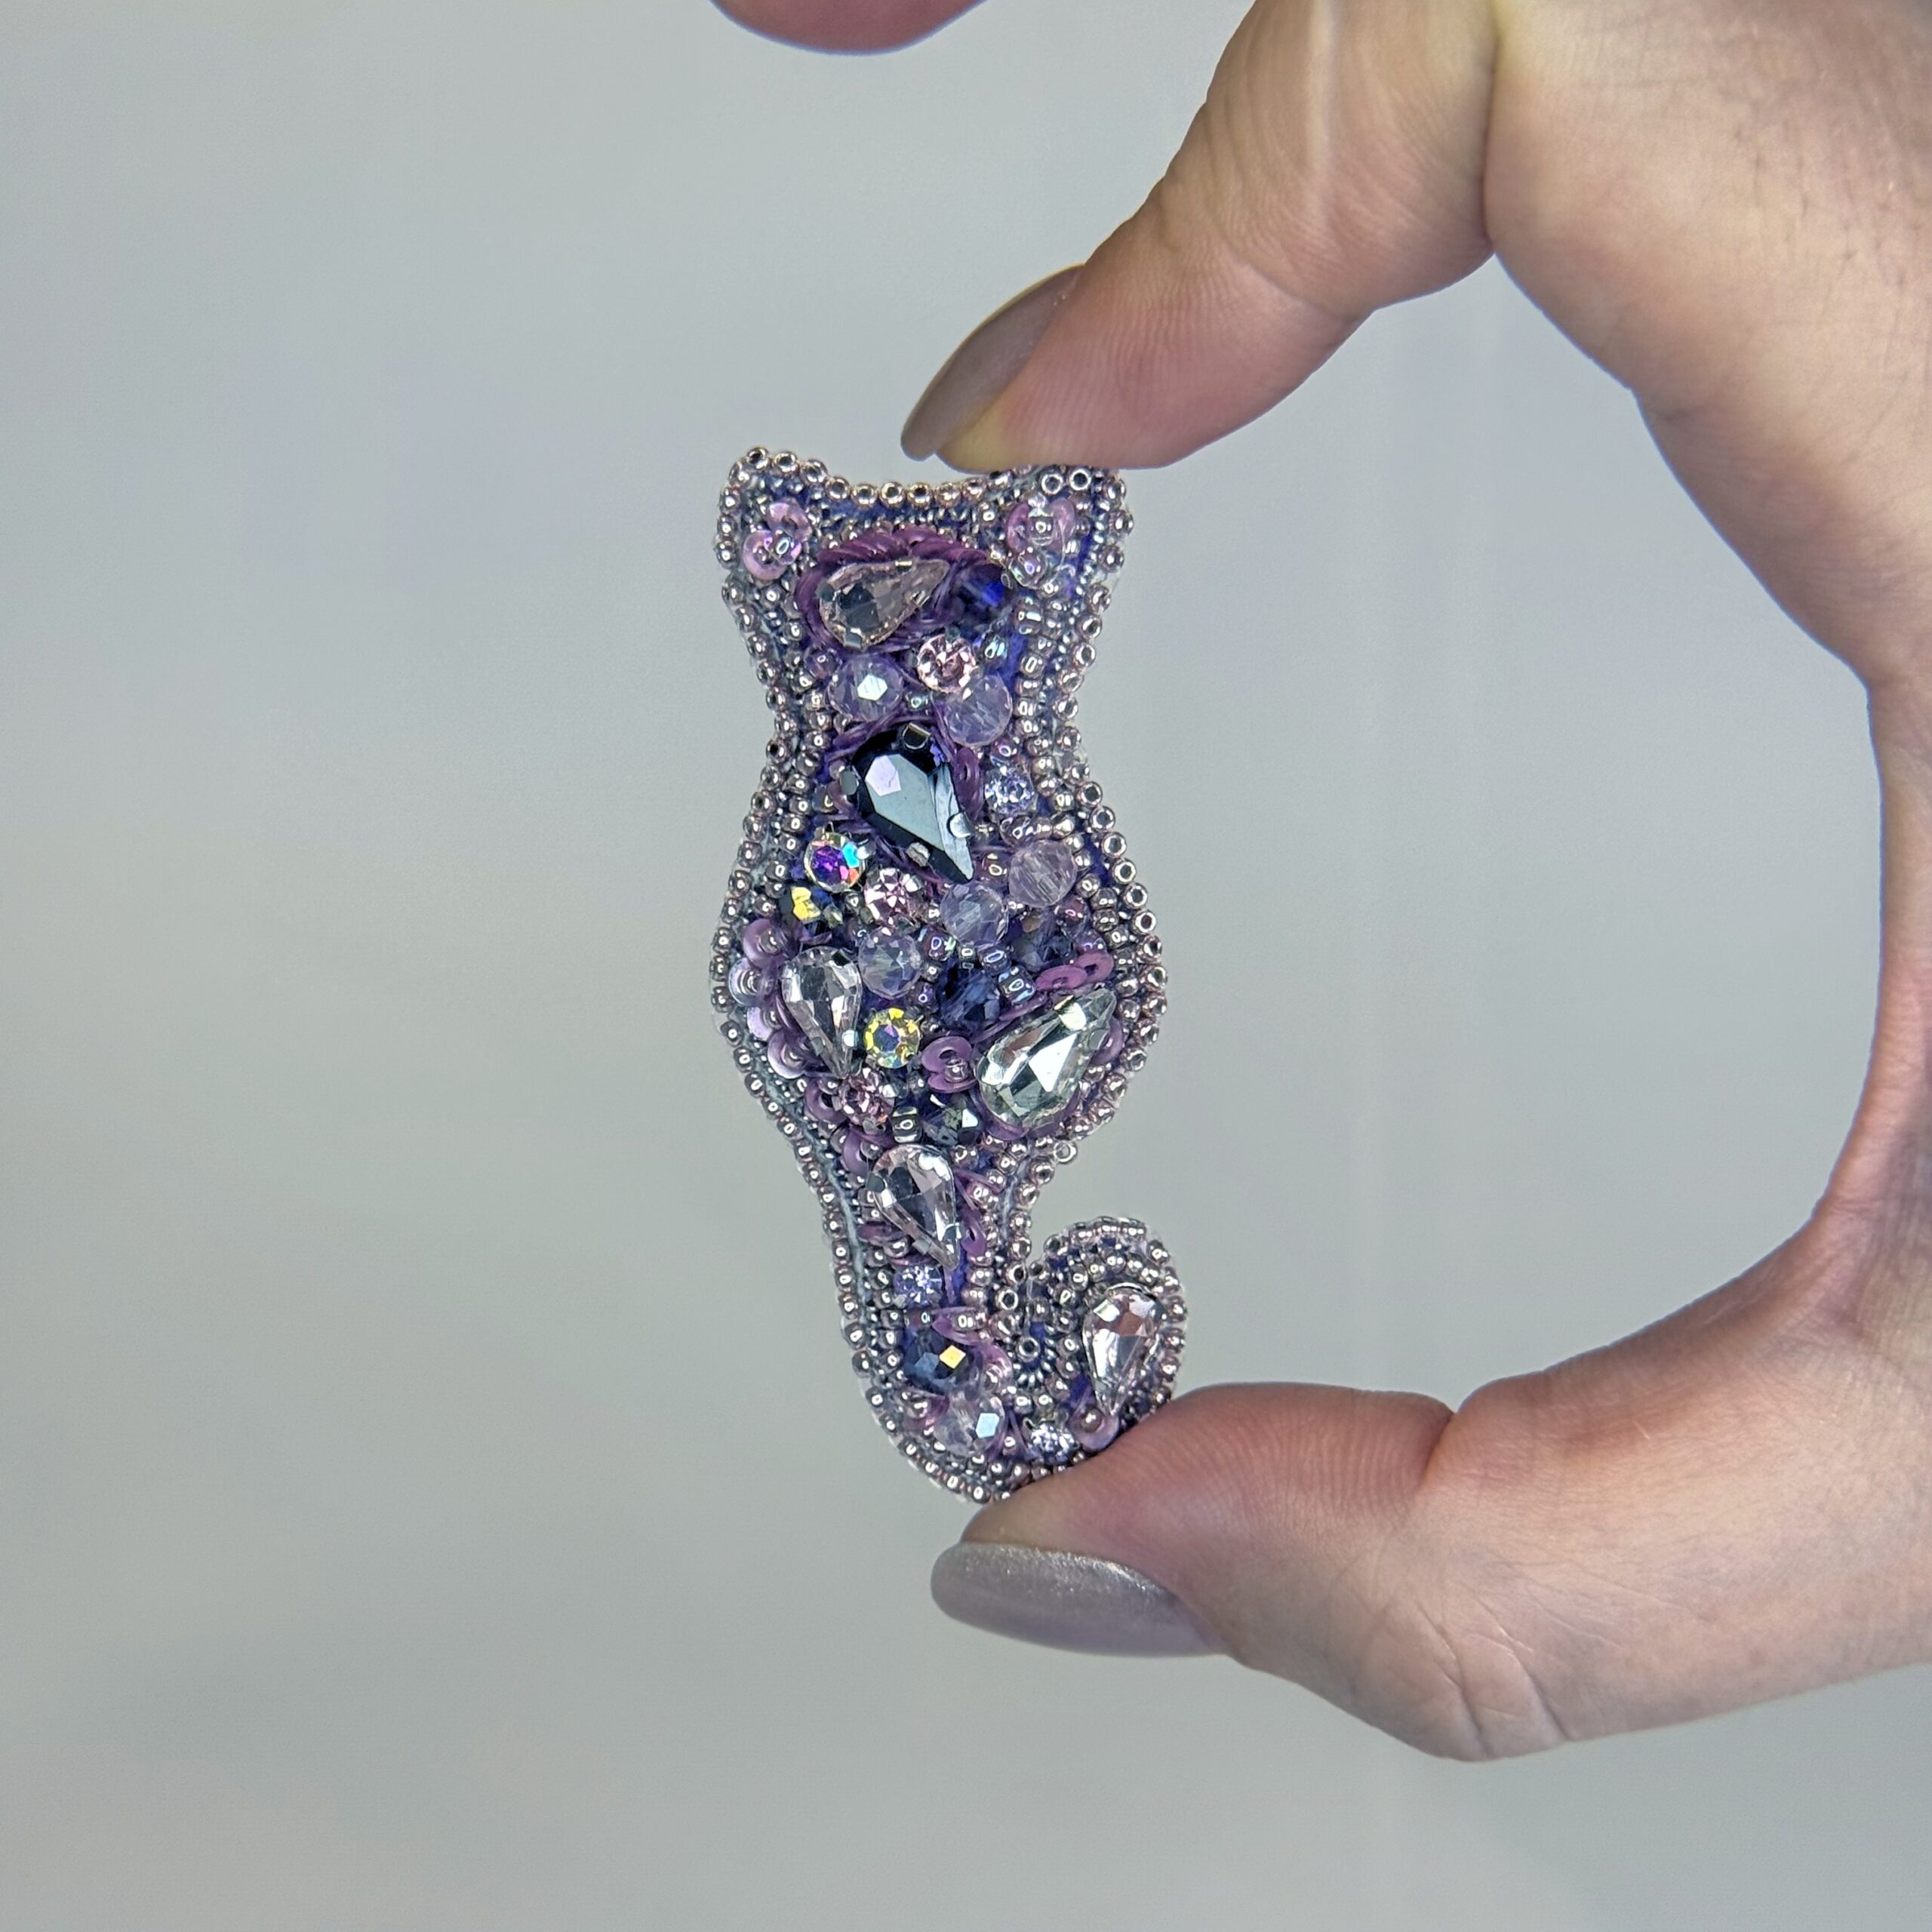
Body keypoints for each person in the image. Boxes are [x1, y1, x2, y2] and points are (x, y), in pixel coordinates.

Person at [715, 0, 1932, 1758]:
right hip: (902, 1065)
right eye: (856, 619)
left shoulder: (997, 762)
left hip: (976, 1040)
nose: (910, 650)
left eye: (953, 628)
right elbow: (785, 983)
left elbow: (1054, 964)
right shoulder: (849, 812)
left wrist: (1031, 1001)